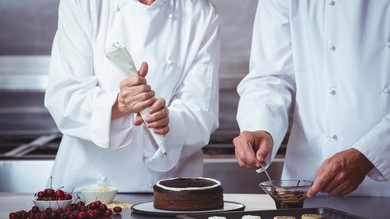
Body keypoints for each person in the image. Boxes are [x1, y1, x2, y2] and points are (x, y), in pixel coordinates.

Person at [45, 0, 220, 192]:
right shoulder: (83, 3)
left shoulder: (200, 12)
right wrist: (119, 105)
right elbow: (64, 97)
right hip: (87, 188)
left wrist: (168, 121)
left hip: (168, 189)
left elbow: (201, 111)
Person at [233, 0, 390, 197]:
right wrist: (260, 128)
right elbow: (271, 76)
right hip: (308, 184)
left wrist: (371, 154)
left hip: (385, 185)